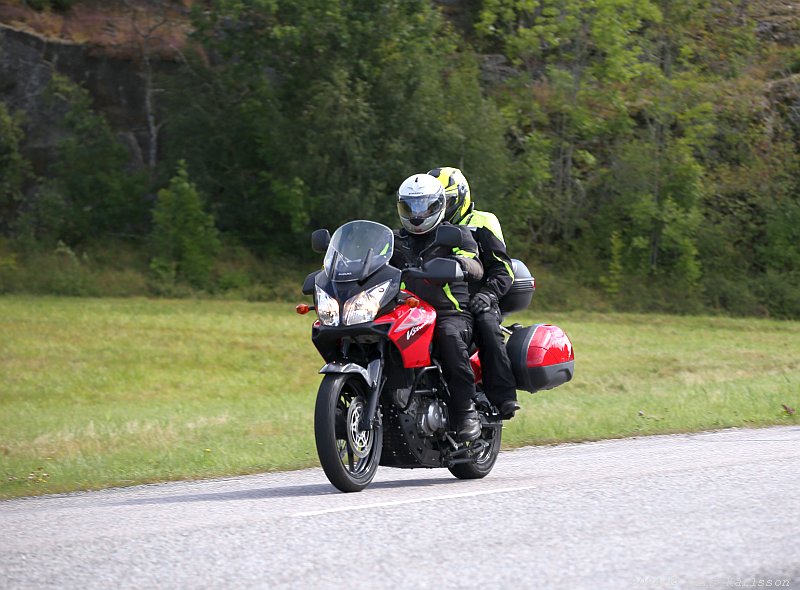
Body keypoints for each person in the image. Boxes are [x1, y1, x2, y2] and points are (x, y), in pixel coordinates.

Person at [390, 173, 485, 442]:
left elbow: (475, 263)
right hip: (406, 311)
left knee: (449, 336)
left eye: (424, 207)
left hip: (450, 313)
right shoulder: (394, 241)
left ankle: (466, 411)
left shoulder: (456, 235)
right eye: (410, 207)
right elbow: (370, 262)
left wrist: (461, 266)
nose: (417, 215)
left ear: (438, 206)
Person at [428, 166, 521, 420]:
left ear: (460, 197)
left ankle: (503, 396)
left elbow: (503, 268)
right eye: (436, 202)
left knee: (487, 323)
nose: (441, 208)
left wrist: (489, 295)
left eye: (446, 202)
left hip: (478, 297)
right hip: (442, 298)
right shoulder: (428, 227)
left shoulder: (483, 221)